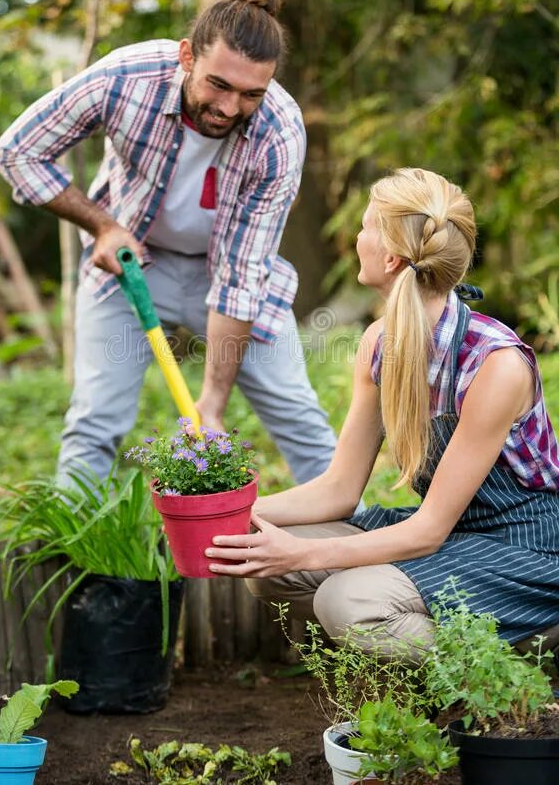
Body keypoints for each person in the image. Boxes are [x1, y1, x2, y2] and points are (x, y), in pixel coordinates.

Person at [0, 0, 338, 488]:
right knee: (95, 420)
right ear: (185, 57)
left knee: (300, 418)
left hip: (227, 275)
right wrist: (102, 226)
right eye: (218, 85)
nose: (228, 108)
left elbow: (241, 278)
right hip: (132, 264)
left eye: (250, 94)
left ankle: (350, 543)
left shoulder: (279, 133)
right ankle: (81, 561)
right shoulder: (126, 78)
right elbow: (17, 151)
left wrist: (212, 406)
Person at [205, 167, 559, 660]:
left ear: (390, 257)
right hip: (453, 529)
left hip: (523, 546)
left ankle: (508, 669)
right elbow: (340, 489)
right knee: (273, 567)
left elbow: (428, 530)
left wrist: (307, 551)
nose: (357, 237)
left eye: (366, 226)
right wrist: (227, 515)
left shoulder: (494, 365)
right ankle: (410, 665)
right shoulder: (379, 343)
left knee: (347, 603)